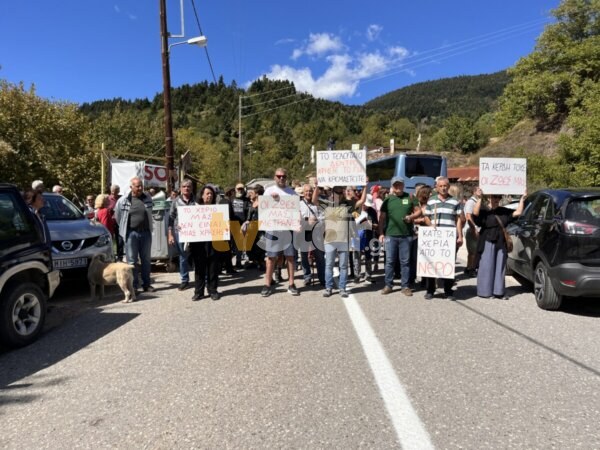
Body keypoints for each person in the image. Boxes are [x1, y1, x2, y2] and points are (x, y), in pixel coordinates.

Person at [472, 189, 527, 299]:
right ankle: (485, 292)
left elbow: (518, 213)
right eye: (494, 197)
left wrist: (522, 199)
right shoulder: (484, 210)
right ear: (489, 198)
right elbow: (475, 214)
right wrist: (479, 198)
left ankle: (498, 292)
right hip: (487, 240)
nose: (496, 199)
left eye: (498, 197)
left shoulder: (504, 211)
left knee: (499, 267)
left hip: (501, 242)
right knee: (486, 266)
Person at [318, 182, 367, 298]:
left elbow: (362, 201)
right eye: (338, 192)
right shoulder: (327, 204)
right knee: (329, 265)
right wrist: (316, 186)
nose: (340, 194)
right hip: (330, 240)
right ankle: (328, 288)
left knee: (343, 266)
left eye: (342, 192)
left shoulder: (348, 204)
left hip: (344, 240)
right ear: (333, 192)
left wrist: (365, 186)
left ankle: (342, 288)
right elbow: (315, 200)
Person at [422, 176, 464, 300]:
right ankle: (430, 290)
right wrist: (431, 224)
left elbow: (458, 220)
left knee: (448, 264)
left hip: (449, 237)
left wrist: (460, 236)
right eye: (440, 186)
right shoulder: (431, 201)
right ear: (437, 187)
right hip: (435, 237)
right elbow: (426, 217)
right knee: (432, 264)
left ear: (448, 187)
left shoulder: (455, 201)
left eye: (445, 186)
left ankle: (448, 290)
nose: (443, 188)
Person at [379, 177, 421, 296]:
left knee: (405, 262)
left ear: (403, 185)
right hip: (390, 235)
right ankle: (388, 285)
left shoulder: (410, 197)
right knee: (390, 262)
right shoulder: (388, 200)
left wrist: (411, 217)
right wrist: (381, 233)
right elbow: (382, 218)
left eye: (400, 185)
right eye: (395, 185)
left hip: (406, 235)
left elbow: (418, 211)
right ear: (392, 186)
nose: (398, 187)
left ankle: (405, 286)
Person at [261, 168, 299, 297]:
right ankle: (267, 284)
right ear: (275, 177)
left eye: (284, 176)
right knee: (271, 258)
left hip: (288, 230)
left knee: (290, 257)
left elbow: (295, 212)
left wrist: (297, 224)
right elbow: (262, 209)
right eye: (279, 176)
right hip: (273, 229)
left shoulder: (292, 193)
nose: (281, 178)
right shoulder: (268, 191)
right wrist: (272, 200)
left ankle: (291, 284)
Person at [115, 176, 155, 294]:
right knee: (132, 261)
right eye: (137, 186)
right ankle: (134, 286)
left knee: (146, 260)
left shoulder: (147, 198)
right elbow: (118, 217)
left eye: (141, 185)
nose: (140, 188)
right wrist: (125, 229)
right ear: (131, 187)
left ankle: (147, 285)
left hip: (145, 233)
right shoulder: (123, 200)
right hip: (131, 234)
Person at [190, 185, 222, 301]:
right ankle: (199, 292)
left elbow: (222, 225)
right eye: (207, 193)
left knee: (213, 267)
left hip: (213, 242)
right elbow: (187, 224)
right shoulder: (194, 209)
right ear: (202, 195)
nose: (209, 196)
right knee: (199, 268)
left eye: (211, 194)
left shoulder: (217, 209)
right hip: (198, 243)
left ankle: (213, 290)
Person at [167, 179, 196, 291]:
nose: (186, 188)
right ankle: (184, 280)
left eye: (188, 186)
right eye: (184, 186)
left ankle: (201, 278)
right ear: (180, 188)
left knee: (197, 256)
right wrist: (170, 234)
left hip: (195, 233)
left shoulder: (197, 201)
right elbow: (171, 218)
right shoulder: (175, 202)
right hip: (181, 233)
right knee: (183, 257)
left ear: (192, 188)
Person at [299, 183, 325, 287]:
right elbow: (297, 219)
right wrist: (306, 221)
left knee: (319, 256)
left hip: (316, 233)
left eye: (310, 191)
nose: (308, 193)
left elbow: (323, 218)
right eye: (306, 191)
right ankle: (307, 277)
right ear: (303, 193)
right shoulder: (299, 204)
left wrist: (317, 222)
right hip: (304, 233)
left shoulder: (317, 204)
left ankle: (322, 278)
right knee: (304, 256)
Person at [243, 184, 265, 270]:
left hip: (261, 227)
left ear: (257, 194)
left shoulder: (263, 203)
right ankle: (254, 261)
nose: (250, 193)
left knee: (261, 244)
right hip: (252, 227)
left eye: (253, 192)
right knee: (252, 245)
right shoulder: (252, 203)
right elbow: (249, 216)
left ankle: (261, 261)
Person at [463, 187, 483, 277]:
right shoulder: (471, 202)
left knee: (472, 251)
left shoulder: (478, 201)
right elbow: (468, 216)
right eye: (479, 190)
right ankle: (471, 269)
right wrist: (474, 228)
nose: (481, 192)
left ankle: (468, 268)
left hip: (476, 229)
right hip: (472, 229)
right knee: (473, 251)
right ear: (474, 191)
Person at [232, 182, 250, 269]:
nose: (240, 190)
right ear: (235, 189)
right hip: (231, 224)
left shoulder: (247, 200)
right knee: (230, 245)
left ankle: (238, 261)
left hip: (242, 225)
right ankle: (227, 263)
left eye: (241, 189)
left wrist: (247, 222)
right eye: (238, 189)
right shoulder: (231, 199)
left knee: (239, 244)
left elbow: (248, 213)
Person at [107, 185, 124, 261]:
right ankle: (111, 256)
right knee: (110, 239)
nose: (115, 193)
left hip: (119, 222)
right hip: (110, 222)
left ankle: (120, 257)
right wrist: (110, 210)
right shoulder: (107, 199)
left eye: (116, 191)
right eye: (113, 191)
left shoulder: (121, 198)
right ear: (111, 191)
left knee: (119, 240)